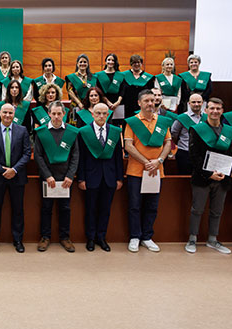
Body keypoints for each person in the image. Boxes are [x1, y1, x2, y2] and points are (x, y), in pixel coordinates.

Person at [184, 97, 232, 255]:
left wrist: (224, 172)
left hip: (223, 178)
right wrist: (209, 174)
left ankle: (213, 239)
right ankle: (192, 239)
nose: (215, 111)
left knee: (217, 210)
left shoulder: (230, 131)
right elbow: (194, 156)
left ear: (222, 111)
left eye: (218, 109)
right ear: (206, 110)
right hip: (202, 178)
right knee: (197, 209)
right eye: (212, 108)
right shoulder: (197, 129)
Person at [123, 89, 173, 253]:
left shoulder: (163, 122)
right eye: (147, 101)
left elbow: (167, 143)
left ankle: (147, 237)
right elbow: (128, 145)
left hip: (156, 170)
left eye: (152, 100)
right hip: (136, 171)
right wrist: (146, 162)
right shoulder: (132, 122)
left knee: (152, 205)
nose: (150, 103)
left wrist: (158, 161)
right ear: (139, 103)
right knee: (135, 206)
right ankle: (135, 237)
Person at [76, 103, 124, 252]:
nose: (102, 116)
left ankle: (101, 237)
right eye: (98, 113)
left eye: (104, 113)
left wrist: (119, 178)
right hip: (91, 177)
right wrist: (81, 178)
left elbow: (118, 157)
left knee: (105, 209)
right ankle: (90, 238)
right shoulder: (83, 132)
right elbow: (80, 157)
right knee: (90, 209)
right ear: (92, 114)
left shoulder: (115, 132)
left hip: (109, 177)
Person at [0, 103, 31, 253]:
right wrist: (2, 170)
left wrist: (14, 170)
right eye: (5, 112)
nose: (7, 115)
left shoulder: (22, 131)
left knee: (18, 210)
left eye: (10, 113)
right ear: (0, 113)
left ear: (14, 114)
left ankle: (18, 240)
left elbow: (26, 153)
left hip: (17, 177)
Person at [34, 102, 80, 252]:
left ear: (64, 114)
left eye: (59, 114)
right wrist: (47, 175)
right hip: (48, 178)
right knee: (46, 208)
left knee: (65, 208)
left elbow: (75, 155)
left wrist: (70, 175)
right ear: (48, 114)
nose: (56, 117)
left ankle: (65, 237)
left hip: (65, 178)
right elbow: (38, 156)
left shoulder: (72, 132)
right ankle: (45, 237)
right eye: (53, 114)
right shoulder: (41, 132)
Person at [170, 93, 206, 175]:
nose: (196, 104)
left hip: (202, 154)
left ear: (202, 103)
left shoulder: (207, 118)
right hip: (185, 153)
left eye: (198, 102)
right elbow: (174, 134)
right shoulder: (181, 118)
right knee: (184, 180)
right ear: (189, 103)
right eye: (193, 102)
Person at [119, 54, 155, 119]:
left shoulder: (148, 78)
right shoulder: (124, 75)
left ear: (141, 64)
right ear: (131, 64)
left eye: (138, 62)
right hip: (127, 106)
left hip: (142, 105)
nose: (136, 64)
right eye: (134, 63)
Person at [94, 53, 123, 121]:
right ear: (105, 61)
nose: (111, 62)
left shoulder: (120, 75)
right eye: (109, 60)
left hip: (118, 104)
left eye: (113, 60)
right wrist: (108, 102)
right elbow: (99, 90)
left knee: (117, 124)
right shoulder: (99, 75)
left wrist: (118, 102)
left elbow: (122, 90)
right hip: (104, 103)